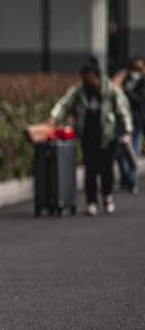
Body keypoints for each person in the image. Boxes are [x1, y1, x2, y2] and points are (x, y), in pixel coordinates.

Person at [50, 62, 133, 216]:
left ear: (97, 77)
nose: (86, 82)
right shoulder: (79, 91)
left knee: (106, 169)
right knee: (91, 170)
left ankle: (107, 196)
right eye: (84, 79)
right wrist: (54, 118)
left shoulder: (111, 91)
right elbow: (64, 104)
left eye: (88, 78)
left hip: (107, 136)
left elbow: (123, 110)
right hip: (88, 136)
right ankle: (91, 202)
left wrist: (127, 130)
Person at [112, 56, 145, 193]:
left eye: (139, 68)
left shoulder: (143, 83)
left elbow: (139, 100)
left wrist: (126, 92)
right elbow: (112, 89)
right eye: (134, 68)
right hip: (121, 124)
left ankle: (132, 182)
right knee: (119, 153)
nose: (136, 72)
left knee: (133, 153)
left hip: (136, 124)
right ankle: (125, 177)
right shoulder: (123, 80)